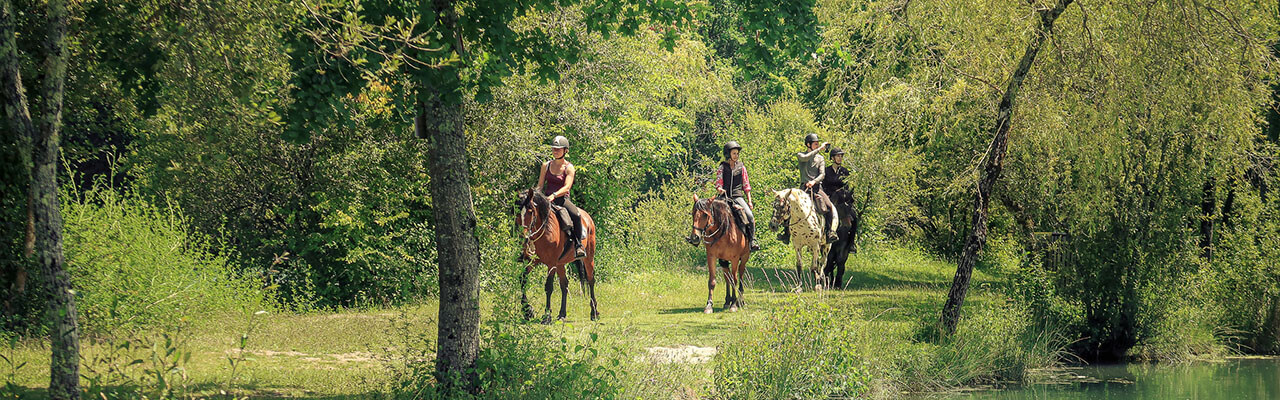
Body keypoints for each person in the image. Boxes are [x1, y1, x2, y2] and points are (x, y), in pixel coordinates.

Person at [534, 135, 586, 259]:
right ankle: (526, 247)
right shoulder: (545, 165)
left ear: (565, 150)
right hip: (546, 199)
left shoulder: (569, 168)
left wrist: (554, 195)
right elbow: (540, 185)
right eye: (554, 149)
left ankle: (578, 245)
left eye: (558, 149)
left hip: (561, 199)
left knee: (576, 215)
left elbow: (567, 187)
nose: (555, 151)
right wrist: (535, 196)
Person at [792, 133, 838, 243]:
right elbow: (806, 158)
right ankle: (785, 233)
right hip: (803, 188)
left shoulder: (820, 158)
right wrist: (820, 149)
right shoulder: (801, 155)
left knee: (828, 207)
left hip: (817, 188)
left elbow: (822, 174)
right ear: (808, 144)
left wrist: (814, 181)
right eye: (815, 144)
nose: (817, 146)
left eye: (818, 145)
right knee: (790, 205)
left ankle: (830, 232)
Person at [715, 141, 760, 250]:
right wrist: (720, 189)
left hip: (737, 197)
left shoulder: (741, 167)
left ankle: (752, 240)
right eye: (734, 153)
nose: (736, 155)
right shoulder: (722, 167)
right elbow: (718, 182)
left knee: (750, 216)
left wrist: (749, 201)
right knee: (710, 213)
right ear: (728, 154)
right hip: (724, 197)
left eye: (737, 153)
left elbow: (746, 185)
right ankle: (704, 238)